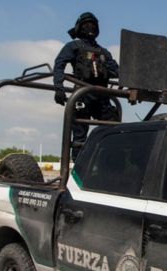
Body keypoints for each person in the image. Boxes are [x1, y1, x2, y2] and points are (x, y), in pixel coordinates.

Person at [53, 12, 119, 160]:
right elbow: (59, 65)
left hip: (102, 98)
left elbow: (116, 70)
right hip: (82, 95)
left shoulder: (104, 52)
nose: (90, 27)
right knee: (79, 138)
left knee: (114, 131)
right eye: (87, 25)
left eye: (93, 25)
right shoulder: (73, 46)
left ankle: (108, 164)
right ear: (79, 27)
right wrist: (59, 88)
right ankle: (77, 169)